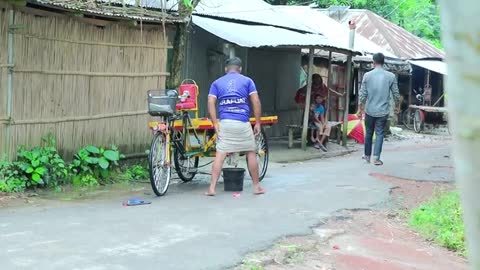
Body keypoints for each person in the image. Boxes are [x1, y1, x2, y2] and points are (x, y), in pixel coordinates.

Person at [206, 57, 265, 196]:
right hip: (243, 123)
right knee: (251, 152)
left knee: (220, 155)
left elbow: (210, 102)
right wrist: (257, 122)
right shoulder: (248, 81)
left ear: (226, 69)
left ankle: (212, 188)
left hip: (225, 123)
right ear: (240, 69)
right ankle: (256, 187)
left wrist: (215, 123)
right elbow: (256, 101)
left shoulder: (217, 82)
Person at [358, 53, 400, 165]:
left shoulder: (367, 75)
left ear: (373, 62)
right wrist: (397, 106)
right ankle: (376, 158)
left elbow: (362, 94)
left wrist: (360, 107)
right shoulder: (391, 76)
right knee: (380, 133)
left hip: (369, 110)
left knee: (369, 133)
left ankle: (367, 156)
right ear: (383, 62)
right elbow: (396, 93)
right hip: (383, 111)